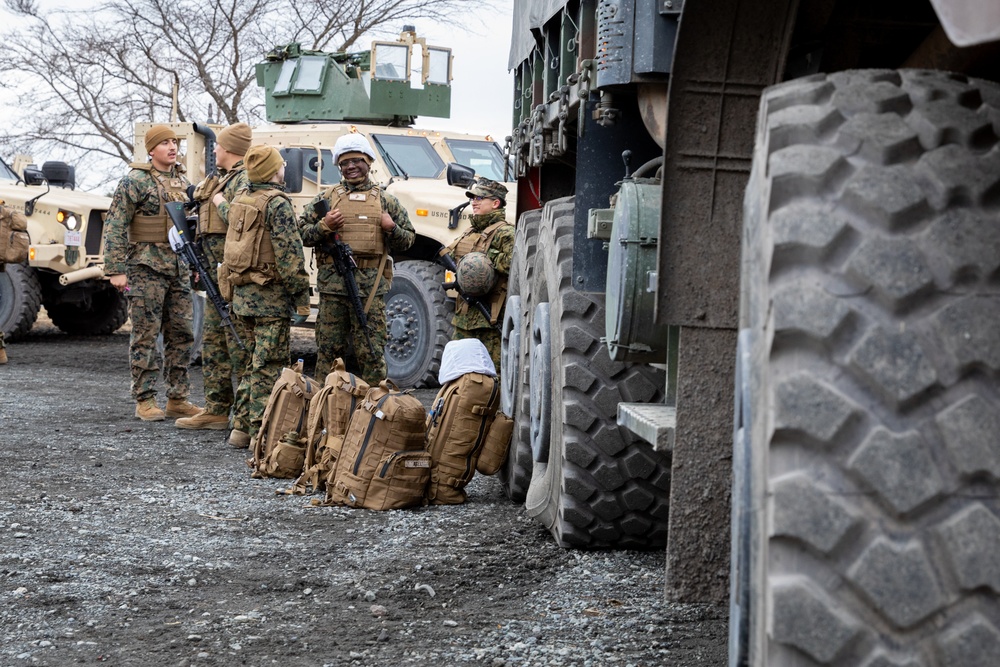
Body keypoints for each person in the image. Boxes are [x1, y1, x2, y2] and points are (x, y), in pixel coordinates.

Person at [297, 134, 415, 385]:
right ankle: (323, 409)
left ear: (369, 162)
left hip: (370, 290)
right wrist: (324, 226)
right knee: (329, 352)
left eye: (357, 160)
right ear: (338, 166)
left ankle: (375, 411)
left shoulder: (385, 201)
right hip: (333, 290)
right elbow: (303, 234)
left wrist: (391, 227)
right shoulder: (326, 199)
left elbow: (408, 241)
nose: (351, 167)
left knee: (371, 353)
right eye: (345, 162)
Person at [103, 124, 202, 421]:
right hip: (145, 267)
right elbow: (115, 225)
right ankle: (144, 398)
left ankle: (178, 397)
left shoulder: (184, 182)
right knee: (146, 333)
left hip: (178, 267)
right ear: (151, 150)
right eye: (165, 143)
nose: (172, 147)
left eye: (174, 142)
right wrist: (115, 270)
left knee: (182, 333)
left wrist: (196, 265)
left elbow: (190, 227)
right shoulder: (135, 181)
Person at [221, 144, 309, 447]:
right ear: (274, 171)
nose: (284, 168)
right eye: (281, 164)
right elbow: (289, 256)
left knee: (250, 363)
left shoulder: (240, 199)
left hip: (243, 296)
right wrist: (301, 297)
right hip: (269, 297)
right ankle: (263, 435)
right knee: (269, 366)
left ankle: (240, 429)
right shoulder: (276, 203)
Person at [175, 122, 252, 433]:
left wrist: (219, 202)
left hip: (234, 278)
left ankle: (246, 417)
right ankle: (218, 408)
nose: (215, 150)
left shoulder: (244, 181)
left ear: (230, 148)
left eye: (218, 145)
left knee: (238, 345)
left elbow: (242, 222)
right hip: (213, 275)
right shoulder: (221, 179)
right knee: (214, 344)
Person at [443, 177, 514, 374]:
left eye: (480, 197)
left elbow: (512, 264)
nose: (474, 201)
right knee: (457, 370)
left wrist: (486, 254)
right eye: (473, 197)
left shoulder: (505, 232)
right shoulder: (470, 231)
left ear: (495, 203)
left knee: (491, 374)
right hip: (464, 315)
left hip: (489, 318)